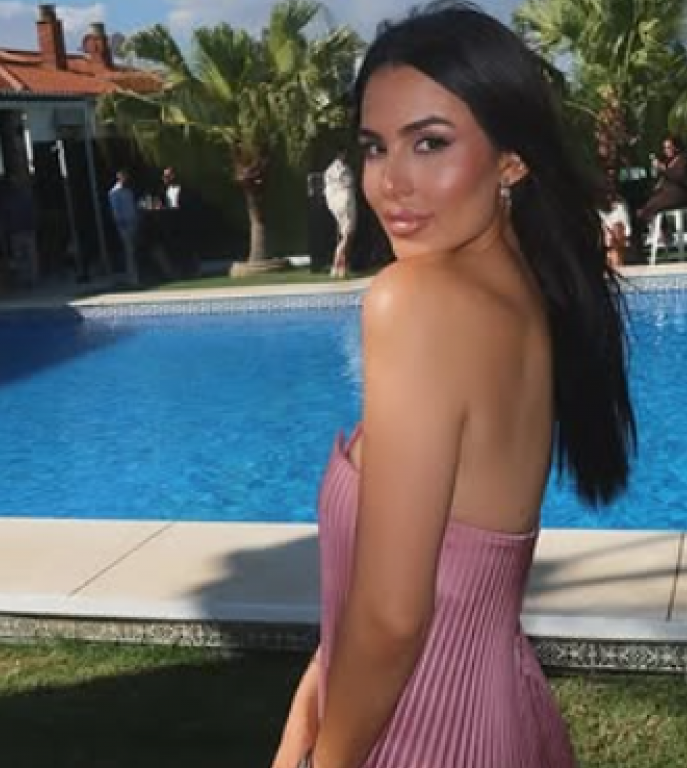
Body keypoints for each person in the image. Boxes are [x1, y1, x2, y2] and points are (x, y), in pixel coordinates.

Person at [271, 4, 635, 768]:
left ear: (512, 159)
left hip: (419, 732)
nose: (390, 182)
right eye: (375, 147)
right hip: (495, 713)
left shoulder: (418, 304)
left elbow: (394, 616)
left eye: (429, 142)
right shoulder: (523, 297)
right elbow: (411, 576)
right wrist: (313, 694)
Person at [638, 135, 687, 248]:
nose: (666, 150)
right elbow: (664, 178)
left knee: (650, 207)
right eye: (664, 148)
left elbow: (679, 177)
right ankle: (662, 232)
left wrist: (664, 169)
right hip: (668, 194)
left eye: (669, 147)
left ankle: (658, 233)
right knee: (646, 202)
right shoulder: (669, 161)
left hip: (680, 195)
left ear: (676, 147)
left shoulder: (683, 160)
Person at [323, 150, 357, 278]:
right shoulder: (333, 170)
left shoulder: (344, 168)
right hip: (342, 203)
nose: (345, 156)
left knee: (346, 235)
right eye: (343, 154)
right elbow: (338, 187)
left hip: (345, 202)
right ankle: (336, 265)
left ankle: (341, 267)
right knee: (346, 235)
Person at [109, 170, 140, 283]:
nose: (126, 179)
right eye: (124, 177)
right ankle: (133, 277)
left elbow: (132, 206)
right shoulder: (114, 192)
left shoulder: (128, 191)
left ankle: (135, 276)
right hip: (125, 224)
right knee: (129, 251)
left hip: (134, 222)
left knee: (134, 250)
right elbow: (115, 210)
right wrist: (121, 223)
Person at [599, 188, 630, 268]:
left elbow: (624, 223)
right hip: (607, 237)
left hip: (616, 238)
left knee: (616, 254)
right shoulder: (598, 208)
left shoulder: (619, 206)